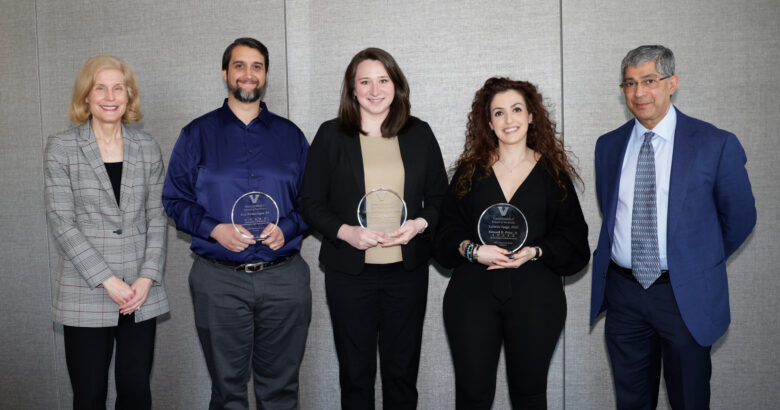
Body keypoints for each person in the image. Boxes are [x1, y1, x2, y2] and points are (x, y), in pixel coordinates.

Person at [590, 45, 757, 409]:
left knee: (689, 398)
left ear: (672, 83)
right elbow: (612, 212)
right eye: (630, 84)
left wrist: (694, 261)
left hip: (684, 296)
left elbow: (740, 218)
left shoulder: (714, 143)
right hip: (624, 294)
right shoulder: (609, 146)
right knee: (631, 400)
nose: (638, 93)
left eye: (649, 80)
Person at [162, 37, 311, 409]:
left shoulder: (291, 136)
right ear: (226, 73)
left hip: (284, 277)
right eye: (240, 66)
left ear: (265, 76)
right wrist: (215, 229)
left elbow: (315, 203)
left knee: (281, 390)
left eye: (257, 66)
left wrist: (289, 228)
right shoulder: (196, 134)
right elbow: (174, 199)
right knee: (228, 391)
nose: (248, 74)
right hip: (219, 279)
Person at [301, 47, 447, 409]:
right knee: (355, 375)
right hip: (350, 273)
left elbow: (442, 198)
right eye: (365, 81)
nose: (375, 89)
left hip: (407, 273)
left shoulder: (419, 133)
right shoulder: (331, 135)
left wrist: (419, 223)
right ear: (352, 89)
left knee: (402, 375)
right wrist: (346, 232)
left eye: (383, 80)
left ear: (397, 85)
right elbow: (310, 203)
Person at [433, 77, 589, 409]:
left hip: (536, 298)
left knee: (530, 396)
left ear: (532, 115)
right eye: (499, 113)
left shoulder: (553, 174)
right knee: (472, 396)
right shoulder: (469, 173)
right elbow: (443, 236)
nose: (509, 120)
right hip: (471, 297)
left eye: (517, 109)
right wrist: (474, 250)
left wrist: (536, 250)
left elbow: (575, 242)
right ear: (488, 123)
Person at [44, 55, 169, 410]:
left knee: (136, 393)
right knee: (89, 395)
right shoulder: (62, 147)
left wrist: (146, 278)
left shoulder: (147, 148)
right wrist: (109, 281)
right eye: (100, 87)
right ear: (86, 96)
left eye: (118, 88)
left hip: (140, 296)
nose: (110, 96)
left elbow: (158, 217)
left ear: (129, 96)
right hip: (88, 290)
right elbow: (61, 220)